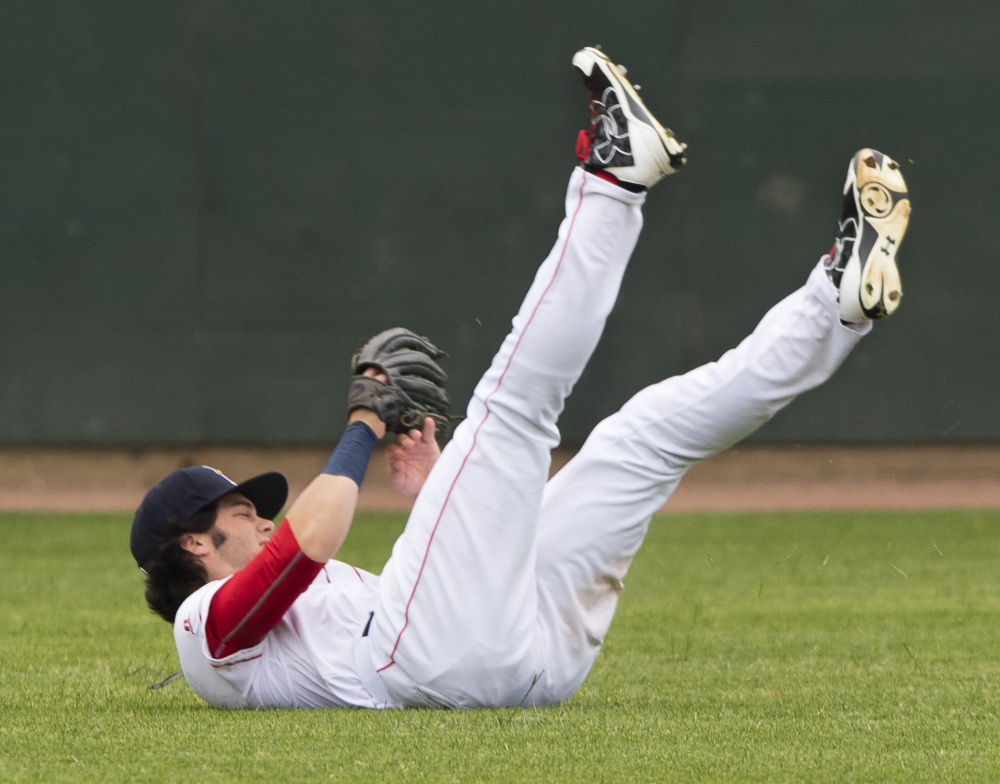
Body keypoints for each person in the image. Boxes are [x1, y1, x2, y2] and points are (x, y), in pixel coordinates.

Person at [130, 46, 910, 710]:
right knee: (513, 406)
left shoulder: (278, 613)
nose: (262, 519)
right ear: (194, 540)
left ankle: (833, 307)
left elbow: (419, 579)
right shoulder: (200, 627)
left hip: (520, 662)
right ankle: (612, 182)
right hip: (432, 660)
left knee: (639, 440)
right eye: (239, 510)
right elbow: (313, 537)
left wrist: (442, 487)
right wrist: (363, 425)